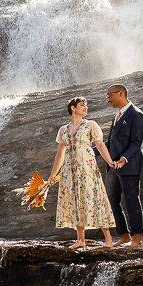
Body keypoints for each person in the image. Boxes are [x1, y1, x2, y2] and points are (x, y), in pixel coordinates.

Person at [48, 96, 117, 250]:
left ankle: (108, 238)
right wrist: (53, 175)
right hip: (69, 170)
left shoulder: (91, 125)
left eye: (86, 105)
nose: (86, 108)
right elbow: (60, 154)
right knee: (75, 201)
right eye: (82, 105)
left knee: (95, 197)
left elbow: (99, 145)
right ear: (73, 108)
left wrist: (110, 161)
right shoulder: (63, 130)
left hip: (87, 168)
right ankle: (80, 240)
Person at [104, 84, 143, 248]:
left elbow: (136, 143)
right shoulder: (117, 115)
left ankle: (137, 238)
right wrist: (87, 151)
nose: (107, 99)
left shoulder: (136, 114)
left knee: (131, 200)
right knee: (111, 201)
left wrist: (124, 158)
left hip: (129, 165)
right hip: (113, 167)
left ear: (120, 93)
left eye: (109, 95)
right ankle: (124, 236)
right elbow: (109, 143)